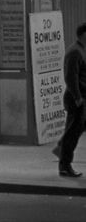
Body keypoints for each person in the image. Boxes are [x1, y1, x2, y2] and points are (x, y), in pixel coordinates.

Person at [54, 22, 86, 177]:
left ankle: (62, 149)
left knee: (75, 130)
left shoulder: (82, 50)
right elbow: (70, 78)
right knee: (72, 132)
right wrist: (78, 98)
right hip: (77, 100)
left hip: (82, 98)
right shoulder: (75, 52)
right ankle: (65, 165)